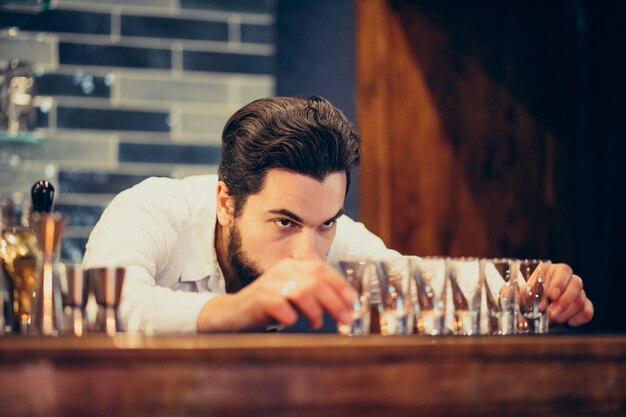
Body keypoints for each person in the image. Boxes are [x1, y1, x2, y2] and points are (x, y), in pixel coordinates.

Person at [82, 96, 594, 333]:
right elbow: (101, 310)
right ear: (225, 202)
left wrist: (525, 286)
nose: (308, 252)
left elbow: (413, 281)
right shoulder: (149, 210)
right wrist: (239, 308)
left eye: (326, 223)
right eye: (284, 222)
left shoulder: (331, 234)